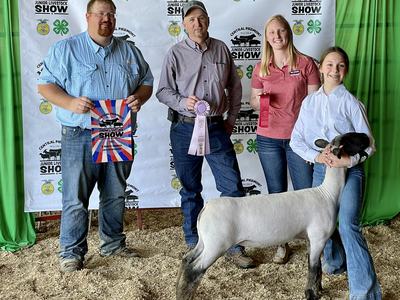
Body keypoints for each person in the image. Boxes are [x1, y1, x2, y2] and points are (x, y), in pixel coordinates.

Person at [37, 0, 153, 272]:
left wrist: (138, 98)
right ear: (88, 16)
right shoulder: (66, 49)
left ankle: (113, 243)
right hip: (80, 134)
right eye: (101, 13)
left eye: (111, 14)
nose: (107, 19)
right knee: (76, 197)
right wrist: (69, 102)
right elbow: (45, 85)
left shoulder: (129, 51)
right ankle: (71, 251)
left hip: (118, 133)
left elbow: (146, 82)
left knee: (115, 194)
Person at [156, 0, 254, 269]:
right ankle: (193, 242)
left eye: (200, 18)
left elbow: (234, 87)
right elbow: (162, 91)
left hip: (215, 126)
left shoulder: (222, 48)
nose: (196, 24)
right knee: (190, 189)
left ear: (208, 20)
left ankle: (235, 245)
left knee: (232, 187)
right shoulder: (174, 53)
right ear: (184, 25)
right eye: (191, 20)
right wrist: (182, 102)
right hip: (184, 127)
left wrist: (231, 118)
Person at [290, 46, 382, 299]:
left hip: (350, 173)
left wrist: (348, 161)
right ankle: (336, 262)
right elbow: (296, 140)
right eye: (329, 65)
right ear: (320, 68)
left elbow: (370, 145)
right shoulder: (309, 103)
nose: (334, 70)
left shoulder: (352, 103)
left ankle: (365, 292)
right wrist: (317, 156)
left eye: (340, 66)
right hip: (322, 171)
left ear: (346, 71)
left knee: (348, 225)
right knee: (322, 226)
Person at [249, 14, 320, 264]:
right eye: (271, 33)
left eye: (281, 31)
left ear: (289, 33)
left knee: (306, 192)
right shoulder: (261, 67)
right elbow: (253, 102)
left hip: (299, 140)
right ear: (266, 38)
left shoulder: (306, 64)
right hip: (268, 138)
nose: (276, 36)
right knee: (276, 193)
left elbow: (315, 103)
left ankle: (315, 243)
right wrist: (261, 101)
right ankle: (282, 244)